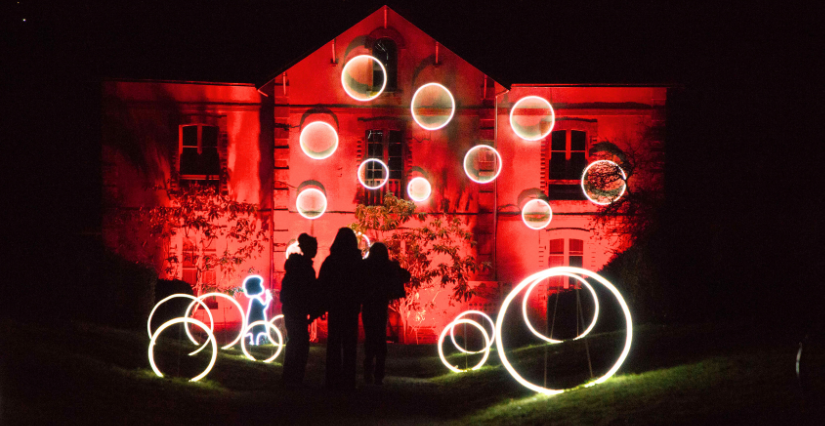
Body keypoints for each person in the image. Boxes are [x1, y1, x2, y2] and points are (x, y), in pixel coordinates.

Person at [317, 228, 365, 391]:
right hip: (351, 307)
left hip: (336, 307)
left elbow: (323, 284)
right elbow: (362, 285)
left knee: (334, 343)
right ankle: (348, 381)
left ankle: (332, 379)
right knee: (350, 344)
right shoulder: (357, 262)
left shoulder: (331, 261)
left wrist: (322, 305)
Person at [361, 243, 409, 385]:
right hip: (380, 305)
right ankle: (378, 374)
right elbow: (405, 276)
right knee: (379, 339)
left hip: (369, 305)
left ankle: (369, 372)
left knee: (370, 339)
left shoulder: (367, 266)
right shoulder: (386, 267)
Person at [280, 233, 318, 387]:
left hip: (291, 310)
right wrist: (312, 309)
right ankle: (296, 376)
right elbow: (308, 292)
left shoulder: (297, 267)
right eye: (314, 248)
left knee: (294, 341)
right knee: (300, 343)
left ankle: (289, 375)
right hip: (298, 310)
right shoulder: (305, 269)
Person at [242, 275, 272, 345]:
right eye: (260, 285)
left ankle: (255, 343)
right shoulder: (255, 299)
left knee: (256, 333)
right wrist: (268, 299)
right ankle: (255, 343)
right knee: (256, 332)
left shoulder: (255, 299)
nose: (262, 286)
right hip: (256, 320)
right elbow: (263, 307)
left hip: (255, 320)